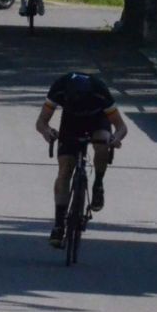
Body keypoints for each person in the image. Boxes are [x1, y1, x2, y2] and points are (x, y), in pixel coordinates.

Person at [35, 70, 128, 247]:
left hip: (97, 120)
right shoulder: (59, 87)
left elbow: (121, 127)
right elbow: (41, 122)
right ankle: (59, 224)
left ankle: (98, 183)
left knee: (102, 143)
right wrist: (47, 132)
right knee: (64, 170)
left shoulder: (100, 90)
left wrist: (114, 139)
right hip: (71, 123)